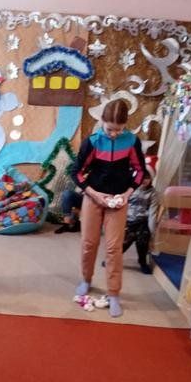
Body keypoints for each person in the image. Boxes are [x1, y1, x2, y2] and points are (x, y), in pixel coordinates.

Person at [69, 99, 146, 317]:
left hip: (118, 201)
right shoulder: (92, 142)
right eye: (110, 129)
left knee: (113, 248)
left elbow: (140, 171)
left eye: (118, 130)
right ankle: (86, 280)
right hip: (93, 198)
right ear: (102, 121)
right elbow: (76, 172)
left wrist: (126, 194)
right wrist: (94, 194)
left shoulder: (131, 141)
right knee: (89, 243)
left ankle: (113, 293)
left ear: (125, 125)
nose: (113, 134)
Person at [122, 170, 156, 274]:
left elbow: (152, 212)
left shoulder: (153, 193)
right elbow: (122, 203)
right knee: (124, 242)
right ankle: (111, 259)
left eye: (147, 177)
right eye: (142, 177)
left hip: (142, 221)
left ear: (151, 179)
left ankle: (142, 262)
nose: (144, 180)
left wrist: (152, 231)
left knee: (143, 241)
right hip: (128, 220)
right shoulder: (130, 189)